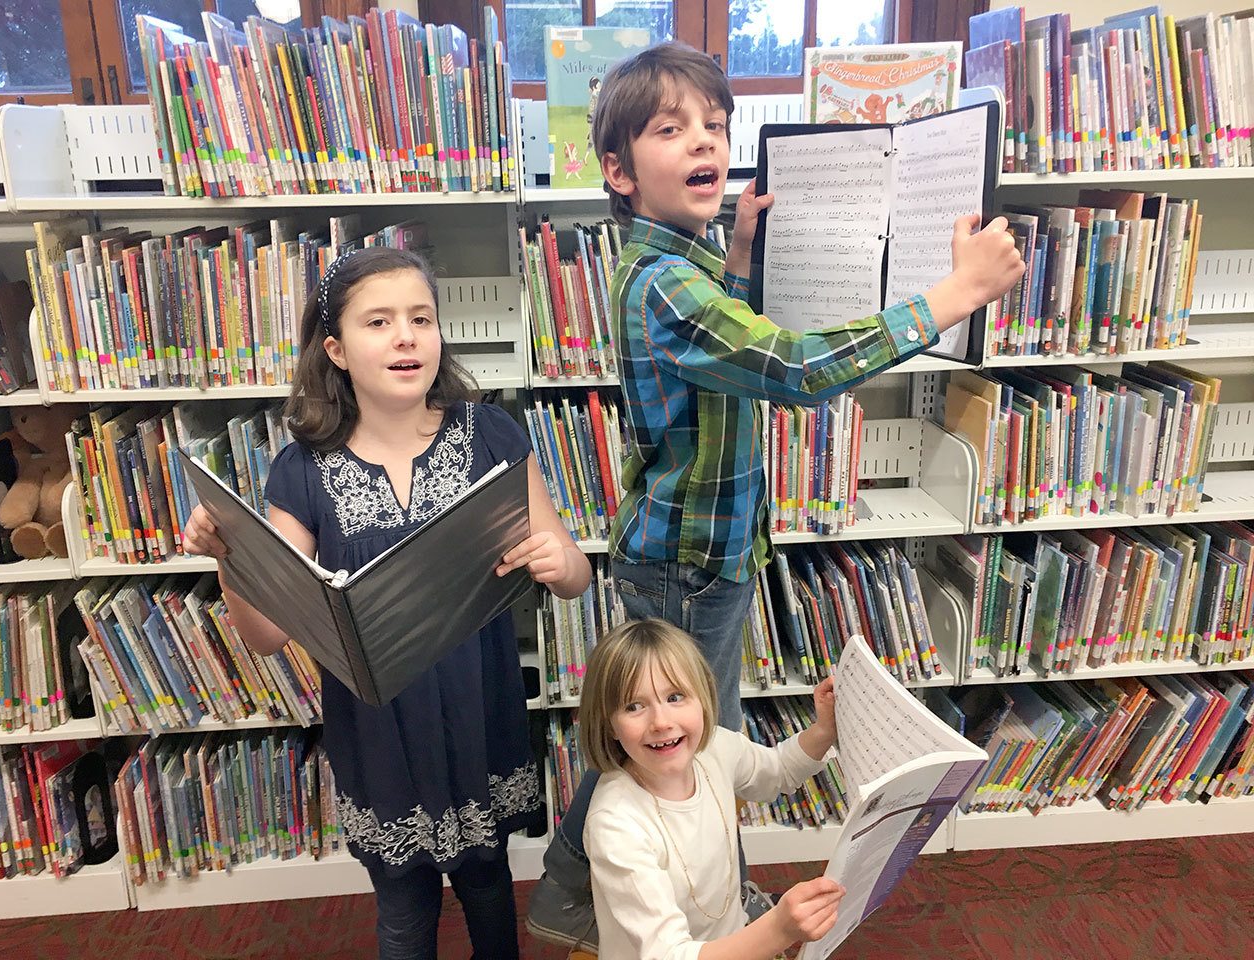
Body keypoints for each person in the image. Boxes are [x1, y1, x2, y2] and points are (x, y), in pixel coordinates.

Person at [526, 42, 1025, 951]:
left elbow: (730, 340)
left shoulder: (684, 263)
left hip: (696, 555)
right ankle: (636, 893)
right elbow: (789, 367)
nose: (704, 140)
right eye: (671, 129)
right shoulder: (666, 284)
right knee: (671, 744)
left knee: (677, 740)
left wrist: (743, 253)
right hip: (685, 564)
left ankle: (638, 883)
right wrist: (951, 296)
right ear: (618, 172)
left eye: (715, 125)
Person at [181, 247, 592, 960]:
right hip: (379, 733)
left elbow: (576, 574)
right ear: (336, 349)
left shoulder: (489, 434)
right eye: (380, 321)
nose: (407, 336)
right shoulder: (301, 469)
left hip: (476, 711)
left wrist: (560, 565)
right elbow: (268, 635)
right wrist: (230, 560)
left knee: (489, 884)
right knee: (403, 908)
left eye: (421, 318)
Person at [580, 618, 845, 959]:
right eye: (634, 706)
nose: (661, 722)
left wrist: (823, 732)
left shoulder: (715, 747)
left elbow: (776, 771)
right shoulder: (614, 823)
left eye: (675, 696)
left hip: (734, 944)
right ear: (609, 725)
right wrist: (778, 928)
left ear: (702, 698)